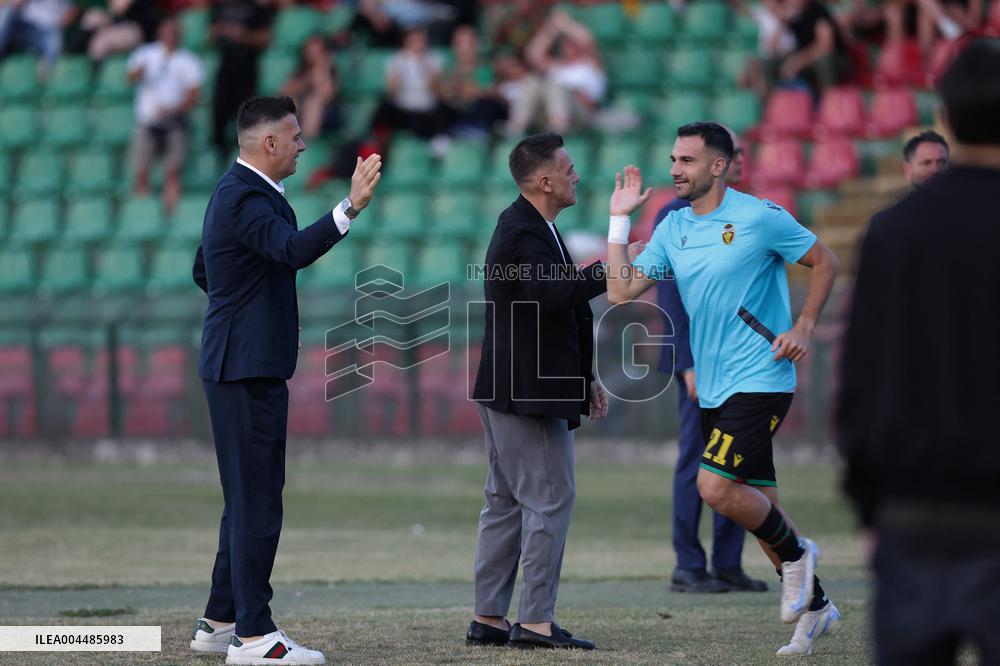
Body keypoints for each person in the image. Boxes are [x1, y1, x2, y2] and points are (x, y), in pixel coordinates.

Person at [605, 121, 842, 657]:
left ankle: (801, 557)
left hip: (762, 377)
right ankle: (817, 610)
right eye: (673, 159)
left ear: (718, 165)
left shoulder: (758, 216)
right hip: (713, 388)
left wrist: (803, 325)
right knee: (761, 508)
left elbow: (824, 260)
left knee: (713, 488)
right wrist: (619, 220)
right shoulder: (672, 227)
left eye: (686, 161)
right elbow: (620, 291)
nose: (673, 170)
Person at [189, 96, 382, 665]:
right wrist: (350, 206)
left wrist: (245, 313)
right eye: (295, 137)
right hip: (243, 369)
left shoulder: (239, 192)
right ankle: (254, 636)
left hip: (243, 362)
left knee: (245, 498)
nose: (302, 145)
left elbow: (206, 269)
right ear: (268, 143)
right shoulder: (246, 195)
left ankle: (220, 621)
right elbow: (292, 251)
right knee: (256, 502)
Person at [838, 39, 1000, 666]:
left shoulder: (895, 230)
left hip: (917, 507)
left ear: (948, 116)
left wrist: (870, 502)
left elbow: (863, 376)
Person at [467, 132, 608, 651]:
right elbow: (551, 294)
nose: (576, 176)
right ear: (545, 180)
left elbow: (554, 306)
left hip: (515, 388)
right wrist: (611, 269)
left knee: (504, 503)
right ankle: (534, 623)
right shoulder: (523, 230)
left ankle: (489, 618)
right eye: (569, 170)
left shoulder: (532, 226)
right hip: (526, 394)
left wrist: (586, 378)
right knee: (549, 501)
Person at [642, 129, 768, 595]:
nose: (739, 161)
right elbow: (670, 297)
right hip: (699, 363)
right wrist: (688, 363)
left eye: (743, 154)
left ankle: (729, 564)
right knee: (696, 460)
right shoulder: (676, 215)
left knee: (737, 463)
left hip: (739, 363)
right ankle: (688, 565)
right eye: (733, 153)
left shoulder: (746, 213)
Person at [127, 16, 203, 213]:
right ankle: (143, 212)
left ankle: (170, 212)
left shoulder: (188, 60)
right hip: (147, 122)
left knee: (172, 171)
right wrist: (139, 72)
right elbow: (130, 77)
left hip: (175, 123)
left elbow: (193, 95)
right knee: (141, 170)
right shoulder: (146, 54)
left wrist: (173, 110)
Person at [506, 10, 606, 136]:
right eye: (566, 44)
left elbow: (588, 41)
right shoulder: (556, 67)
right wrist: (550, 29)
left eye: (572, 44)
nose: (568, 48)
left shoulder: (590, 64)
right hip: (547, 114)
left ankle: (559, 128)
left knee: (556, 86)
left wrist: (566, 24)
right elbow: (532, 54)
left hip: (580, 114)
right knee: (532, 80)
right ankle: (517, 126)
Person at [210, 0, 275, 160]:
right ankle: (220, 153)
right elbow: (210, 36)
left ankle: (246, 153)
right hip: (226, 67)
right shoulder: (221, 7)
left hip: (247, 67)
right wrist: (223, 31)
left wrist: (243, 36)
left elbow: (265, 38)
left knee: (247, 114)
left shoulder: (257, 9)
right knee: (220, 112)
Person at [279, 35, 342, 141]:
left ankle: (306, 141)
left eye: (318, 53)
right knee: (290, 100)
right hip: (300, 111)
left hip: (328, 113)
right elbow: (283, 90)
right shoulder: (301, 71)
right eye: (310, 53)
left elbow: (327, 94)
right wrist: (307, 79)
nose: (314, 56)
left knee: (313, 101)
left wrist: (322, 69)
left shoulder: (329, 71)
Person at [0, 0, 73, 76]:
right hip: (24, 25)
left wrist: (58, 25)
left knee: (54, 38)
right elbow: (11, 5)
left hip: (48, 30)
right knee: (6, 13)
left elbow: (70, 13)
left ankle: (45, 75)